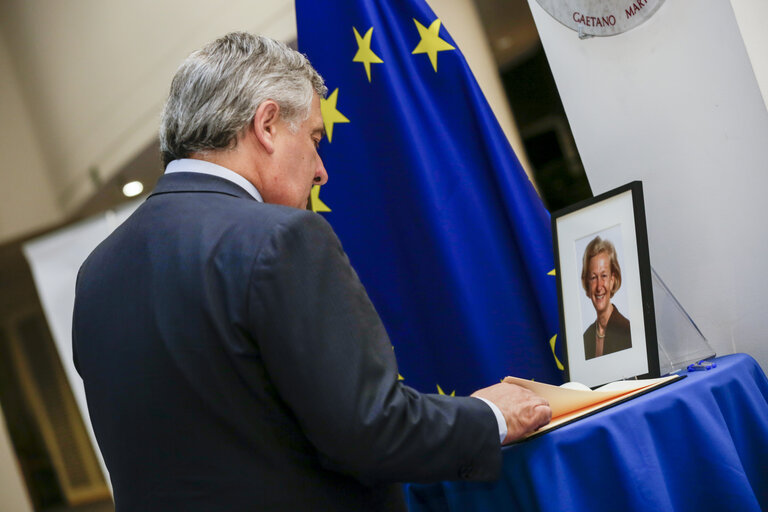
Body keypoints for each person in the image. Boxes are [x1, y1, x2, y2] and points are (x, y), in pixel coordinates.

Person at [72, 32, 551, 511]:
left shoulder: (95, 274)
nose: (321, 170)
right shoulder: (281, 238)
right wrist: (492, 416)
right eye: (315, 138)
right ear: (267, 125)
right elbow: (373, 431)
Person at [581, 236, 632, 360]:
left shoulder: (627, 332)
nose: (599, 286)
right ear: (587, 283)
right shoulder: (586, 338)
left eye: (604, 276)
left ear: (612, 280)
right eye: (593, 277)